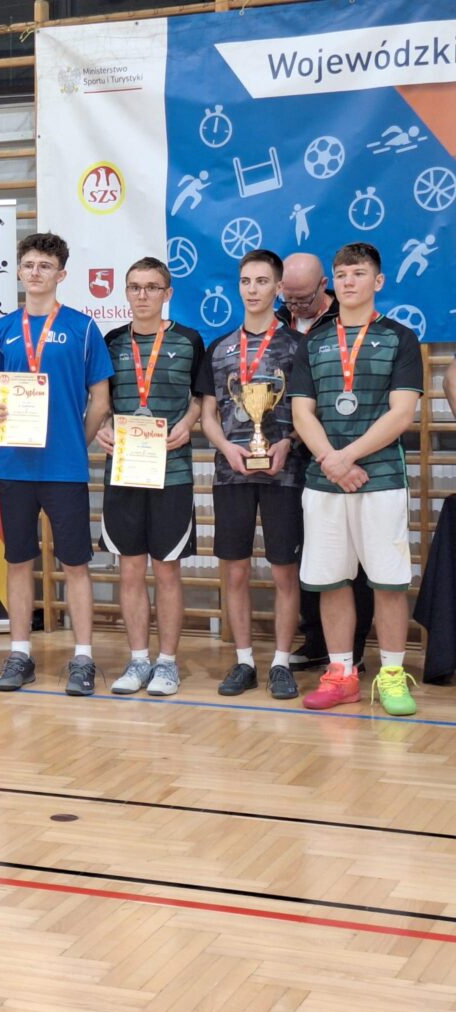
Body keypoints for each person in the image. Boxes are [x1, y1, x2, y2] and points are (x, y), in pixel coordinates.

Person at [290, 242, 423, 715]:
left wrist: (345, 457)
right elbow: (301, 411)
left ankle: (391, 676)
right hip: (324, 480)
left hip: (381, 479)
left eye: (359, 273)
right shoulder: (314, 341)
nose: (349, 282)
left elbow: (402, 413)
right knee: (331, 581)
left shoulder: (400, 338)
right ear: (332, 282)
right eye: (342, 274)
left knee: (388, 582)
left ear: (378, 281)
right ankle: (342, 673)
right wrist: (331, 460)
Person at [0, 233, 112, 696]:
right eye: (29, 265)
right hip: (14, 467)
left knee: (75, 563)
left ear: (61, 274)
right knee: (18, 561)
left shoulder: (83, 328)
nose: (35, 272)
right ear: (19, 272)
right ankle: (20, 653)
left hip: (64, 468)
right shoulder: (2, 329)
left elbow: (100, 399)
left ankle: (83, 658)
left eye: (45, 266)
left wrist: (75, 442)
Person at [198, 250, 304, 700]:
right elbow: (207, 415)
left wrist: (287, 442)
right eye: (246, 281)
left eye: (262, 281)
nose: (253, 289)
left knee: (284, 573)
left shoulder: (298, 347)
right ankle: (244, 660)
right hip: (232, 474)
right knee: (236, 572)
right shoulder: (219, 348)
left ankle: (280, 662)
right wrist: (226, 448)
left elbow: (308, 412)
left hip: (285, 473)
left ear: (278, 288)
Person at [96, 257, 205, 696]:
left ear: (167, 293)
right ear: (126, 292)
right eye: (135, 287)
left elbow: (201, 399)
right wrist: (102, 428)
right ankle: (139, 659)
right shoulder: (111, 342)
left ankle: (167, 664)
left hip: (171, 472)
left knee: (167, 571)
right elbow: (99, 401)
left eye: (152, 287)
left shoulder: (189, 340)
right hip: (124, 472)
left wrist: (190, 422)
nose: (143, 295)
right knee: (129, 570)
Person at [278, 253, 374, 674]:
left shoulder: (347, 319)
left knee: (356, 558)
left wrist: (337, 456)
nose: (295, 306)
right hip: (289, 456)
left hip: (345, 453)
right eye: (289, 297)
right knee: (309, 553)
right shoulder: (276, 319)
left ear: (324, 287)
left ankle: (354, 648)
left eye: (304, 298)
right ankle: (317, 640)